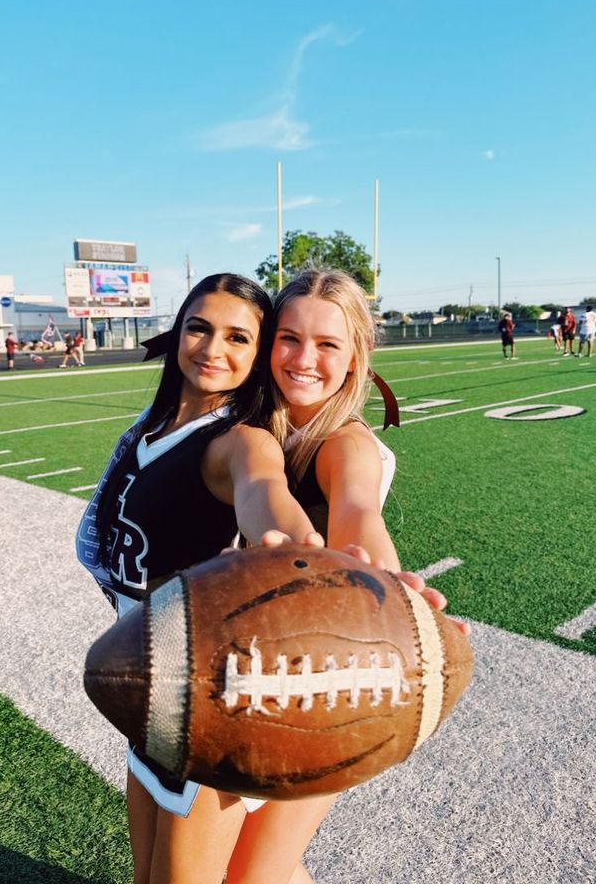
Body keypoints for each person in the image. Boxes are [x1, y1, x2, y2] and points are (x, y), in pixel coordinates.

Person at [77, 273, 329, 884]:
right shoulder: (150, 429)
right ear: (178, 332)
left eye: (239, 338)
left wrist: (288, 542)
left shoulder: (237, 441)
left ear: (258, 353)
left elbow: (262, 485)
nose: (214, 349)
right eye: (200, 327)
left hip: (208, 706)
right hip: (151, 690)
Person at [219, 268, 468, 884]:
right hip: (252, 667)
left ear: (356, 357)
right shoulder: (251, 422)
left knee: (256, 874)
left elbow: (356, 514)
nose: (304, 359)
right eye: (289, 338)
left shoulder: (346, 441)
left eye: (328, 344)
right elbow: (257, 487)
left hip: (321, 683)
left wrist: (381, 584)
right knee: (243, 870)